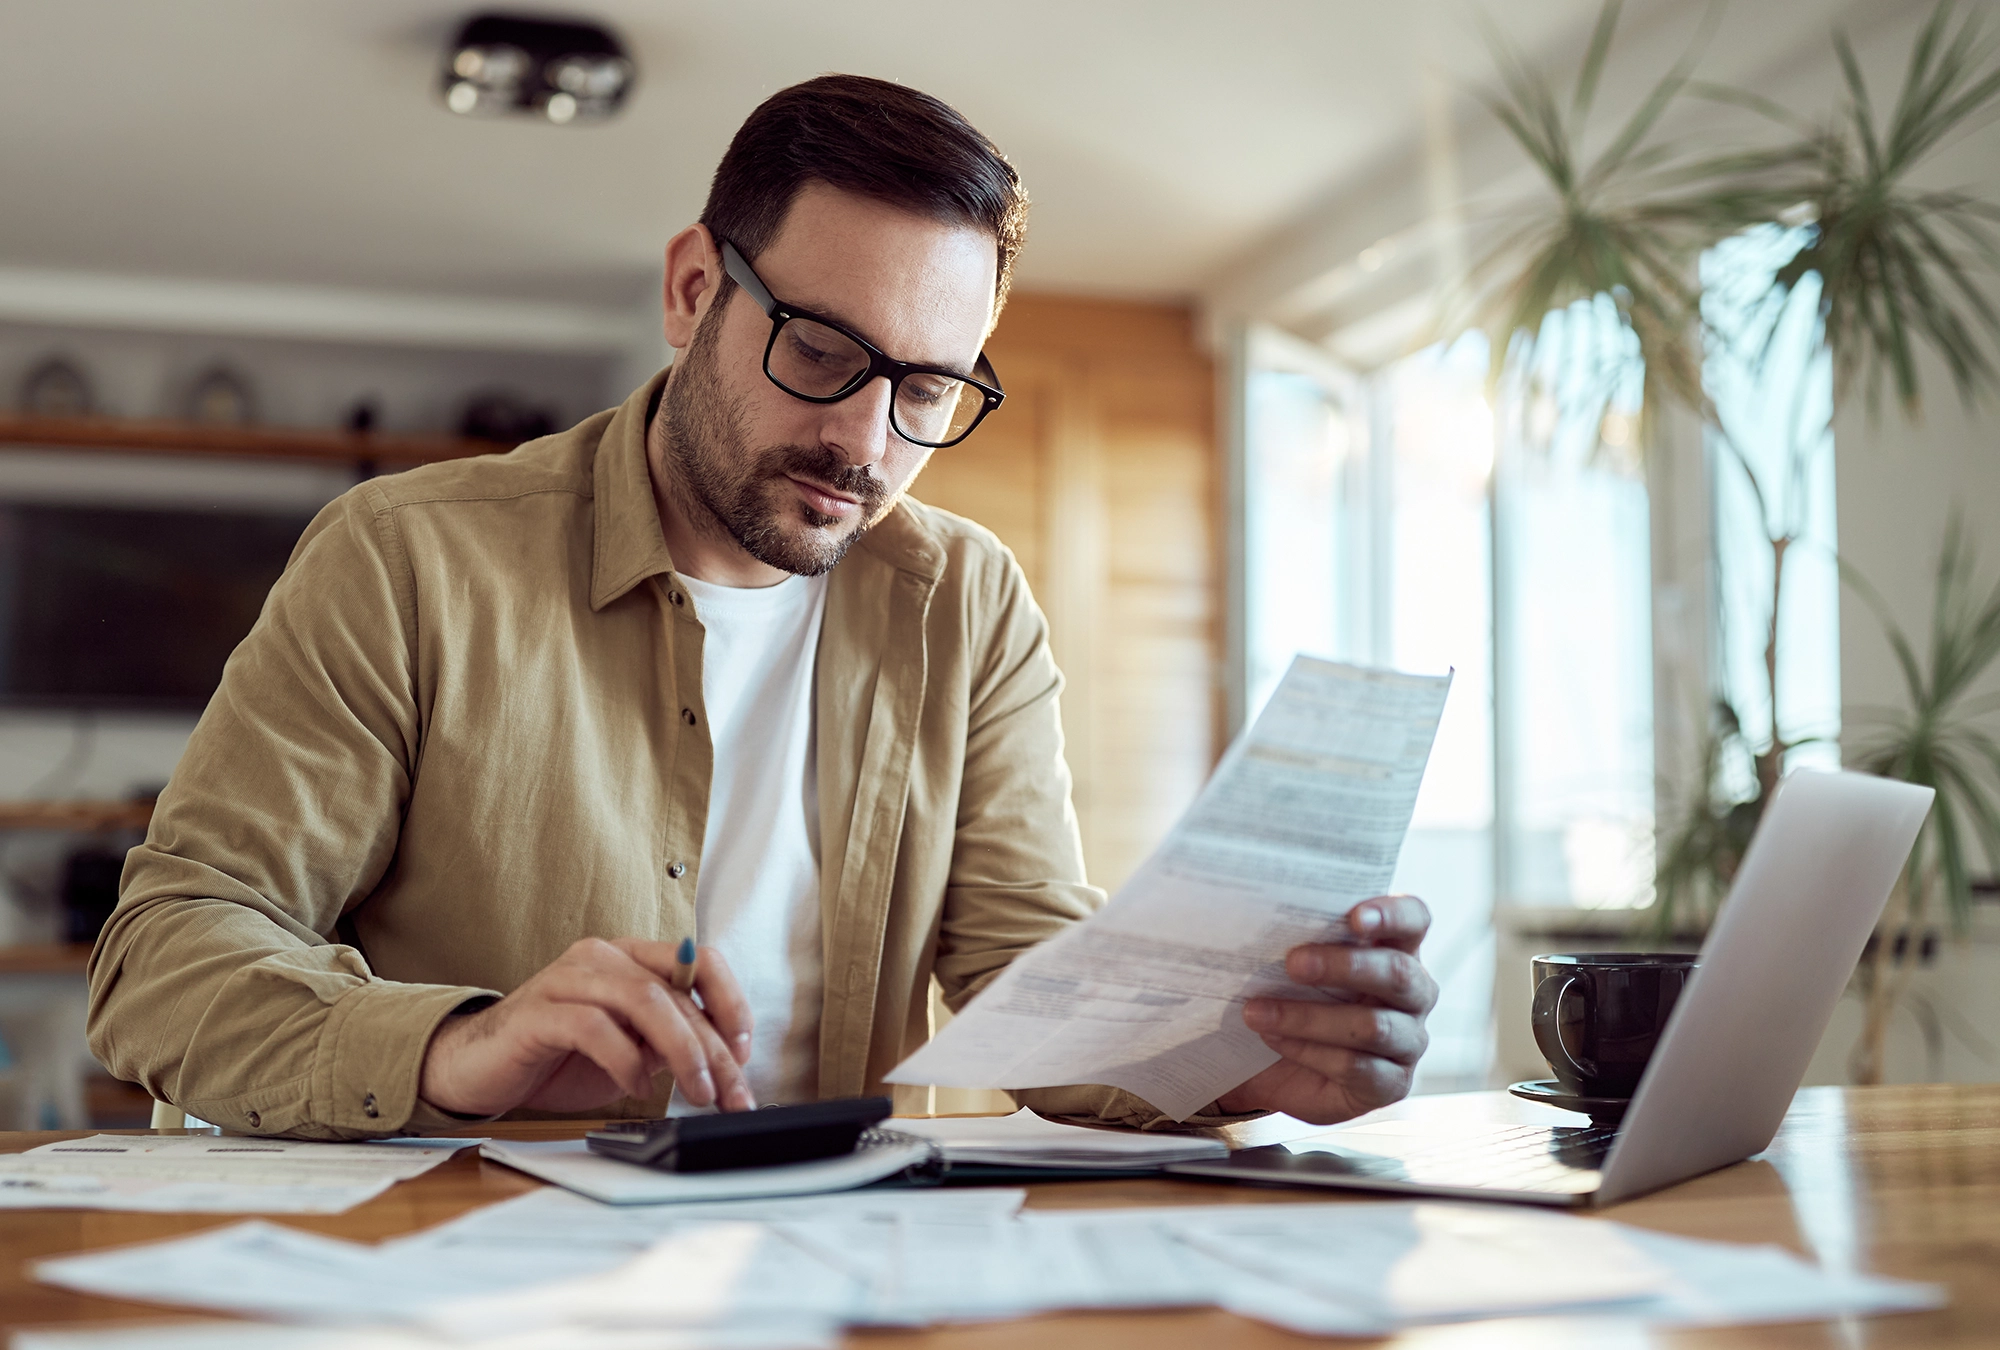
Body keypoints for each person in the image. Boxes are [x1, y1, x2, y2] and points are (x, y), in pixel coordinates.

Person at [88, 74, 1438, 1139]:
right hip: (463, 1260)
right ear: (694, 292)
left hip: (827, 1262)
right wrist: (458, 1045)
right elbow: (165, 952)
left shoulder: (967, 603)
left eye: (928, 388)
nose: (866, 439)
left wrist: (1240, 1061)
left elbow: (1025, 970)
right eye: (823, 350)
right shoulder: (404, 559)